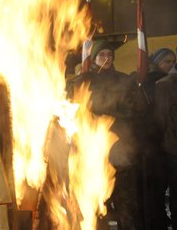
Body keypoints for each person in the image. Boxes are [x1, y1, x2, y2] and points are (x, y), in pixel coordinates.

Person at [68, 40, 147, 229]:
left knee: (125, 199)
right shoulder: (83, 81)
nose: (106, 58)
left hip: (121, 145)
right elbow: (73, 110)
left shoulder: (124, 80)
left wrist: (112, 116)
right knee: (93, 198)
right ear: (94, 58)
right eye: (102, 54)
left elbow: (137, 109)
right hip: (91, 147)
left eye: (109, 55)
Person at [139, 48, 176, 229]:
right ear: (157, 63)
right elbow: (159, 116)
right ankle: (157, 221)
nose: (170, 65)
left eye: (172, 62)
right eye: (166, 62)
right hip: (157, 144)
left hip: (166, 143)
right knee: (157, 189)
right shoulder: (156, 83)